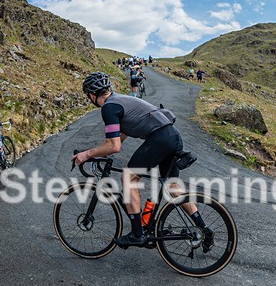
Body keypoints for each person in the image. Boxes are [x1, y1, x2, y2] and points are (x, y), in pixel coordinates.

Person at [73, 72, 213, 249]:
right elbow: (120, 137)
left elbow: (114, 146)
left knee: (128, 177)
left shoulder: (109, 108)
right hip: (172, 136)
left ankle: (137, 234)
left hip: (159, 139)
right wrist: (98, 153)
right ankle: (204, 229)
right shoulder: (121, 100)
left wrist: (86, 154)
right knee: (172, 186)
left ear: (92, 95)